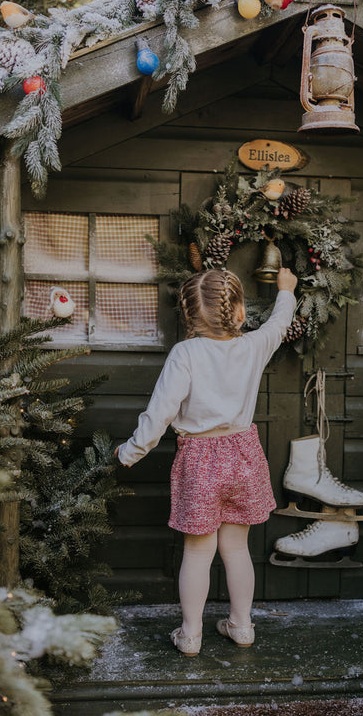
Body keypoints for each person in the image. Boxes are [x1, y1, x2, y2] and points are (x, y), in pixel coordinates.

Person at [116, 266, 297, 656]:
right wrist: (285, 290)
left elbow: (160, 413)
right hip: (244, 456)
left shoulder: (185, 354)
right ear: (240, 312)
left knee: (198, 552)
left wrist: (130, 451)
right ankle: (242, 626)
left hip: (200, 460)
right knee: (237, 549)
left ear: (189, 317)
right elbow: (280, 323)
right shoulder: (254, 345)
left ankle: (190, 635)